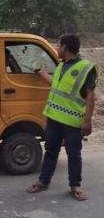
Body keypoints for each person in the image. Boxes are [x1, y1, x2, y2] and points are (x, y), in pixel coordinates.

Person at [26, 34, 97, 201]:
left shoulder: (85, 68)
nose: (57, 48)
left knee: (74, 154)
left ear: (64, 47)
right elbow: (57, 85)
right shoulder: (61, 66)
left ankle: (75, 185)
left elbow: (90, 96)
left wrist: (87, 121)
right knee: (51, 151)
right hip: (54, 119)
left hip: (72, 121)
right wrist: (43, 74)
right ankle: (43, 181)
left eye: (58, 45)